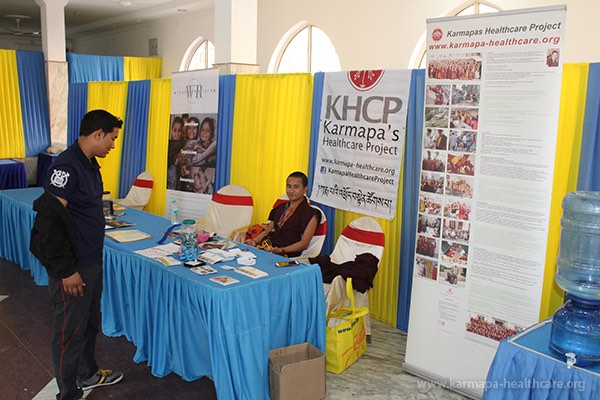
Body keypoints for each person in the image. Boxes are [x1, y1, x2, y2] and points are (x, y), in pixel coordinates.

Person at [30, 110, 124, 400]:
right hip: (73, 266)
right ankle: (68, 393)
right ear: (98, 134)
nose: (112, 145)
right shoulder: (67, 166)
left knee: (89, 323)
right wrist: (66, 270)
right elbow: (49, 221)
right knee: (69, 331)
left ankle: (88, 373)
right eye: (111, 138)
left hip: (91, 260)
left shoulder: (89, 163)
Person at [245, 171, 320, 257]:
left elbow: (304, 243)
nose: (291, 190)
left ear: (305, 189)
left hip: (286, 254)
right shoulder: (280, 208)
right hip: (266, 248)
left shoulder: (310, 214)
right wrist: (254, 241)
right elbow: (268, 230)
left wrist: (281, 250)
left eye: (296, 187)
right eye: (289, 186)